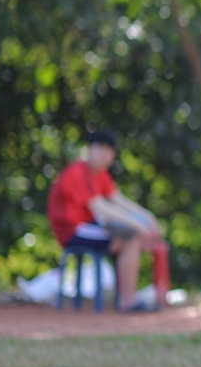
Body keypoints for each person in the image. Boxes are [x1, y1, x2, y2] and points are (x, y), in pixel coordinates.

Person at [47, 130, 166, 311]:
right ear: (89, 149)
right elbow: (100, 207)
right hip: (73, 230)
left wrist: (148, 218)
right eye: (100, 148)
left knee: (127, 237)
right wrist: (139, 226)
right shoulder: (77, 173)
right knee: (131, 237)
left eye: (109, 150)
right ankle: (128, 301)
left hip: (90, 227)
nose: (104, 154)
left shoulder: (100, 174)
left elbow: (119, 200)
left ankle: (130, 296)